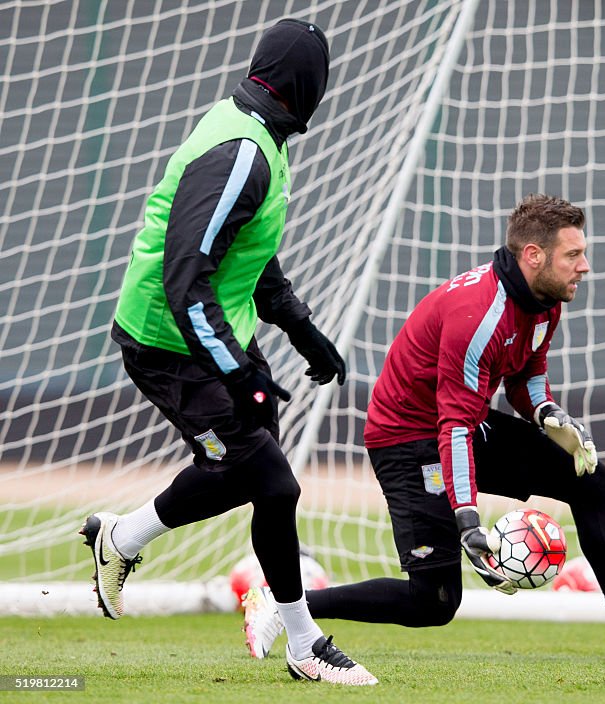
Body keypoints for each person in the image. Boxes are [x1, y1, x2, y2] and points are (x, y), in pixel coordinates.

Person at [241, 194, 605, 662]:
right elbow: (456, 428)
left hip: (459, 423)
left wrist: (548, 413)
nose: (584, 265)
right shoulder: (479, 316)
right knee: (434, 602)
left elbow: (527, 374)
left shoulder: (546, 299)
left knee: (589, 479)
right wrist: (468, 521)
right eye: (573, 254)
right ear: (534, 255)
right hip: (407, 438)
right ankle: (285, 605)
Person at [81, 19, 377, 686]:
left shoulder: (254, 134)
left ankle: (120, 539)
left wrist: (301, 330)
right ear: (311, 88)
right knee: (273, 481)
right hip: (167, 342)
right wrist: (242, 376)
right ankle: (304, 644)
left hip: (207, 336)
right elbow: (186, 280)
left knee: (249, 473)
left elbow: (248, 257)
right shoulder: (242, 152)